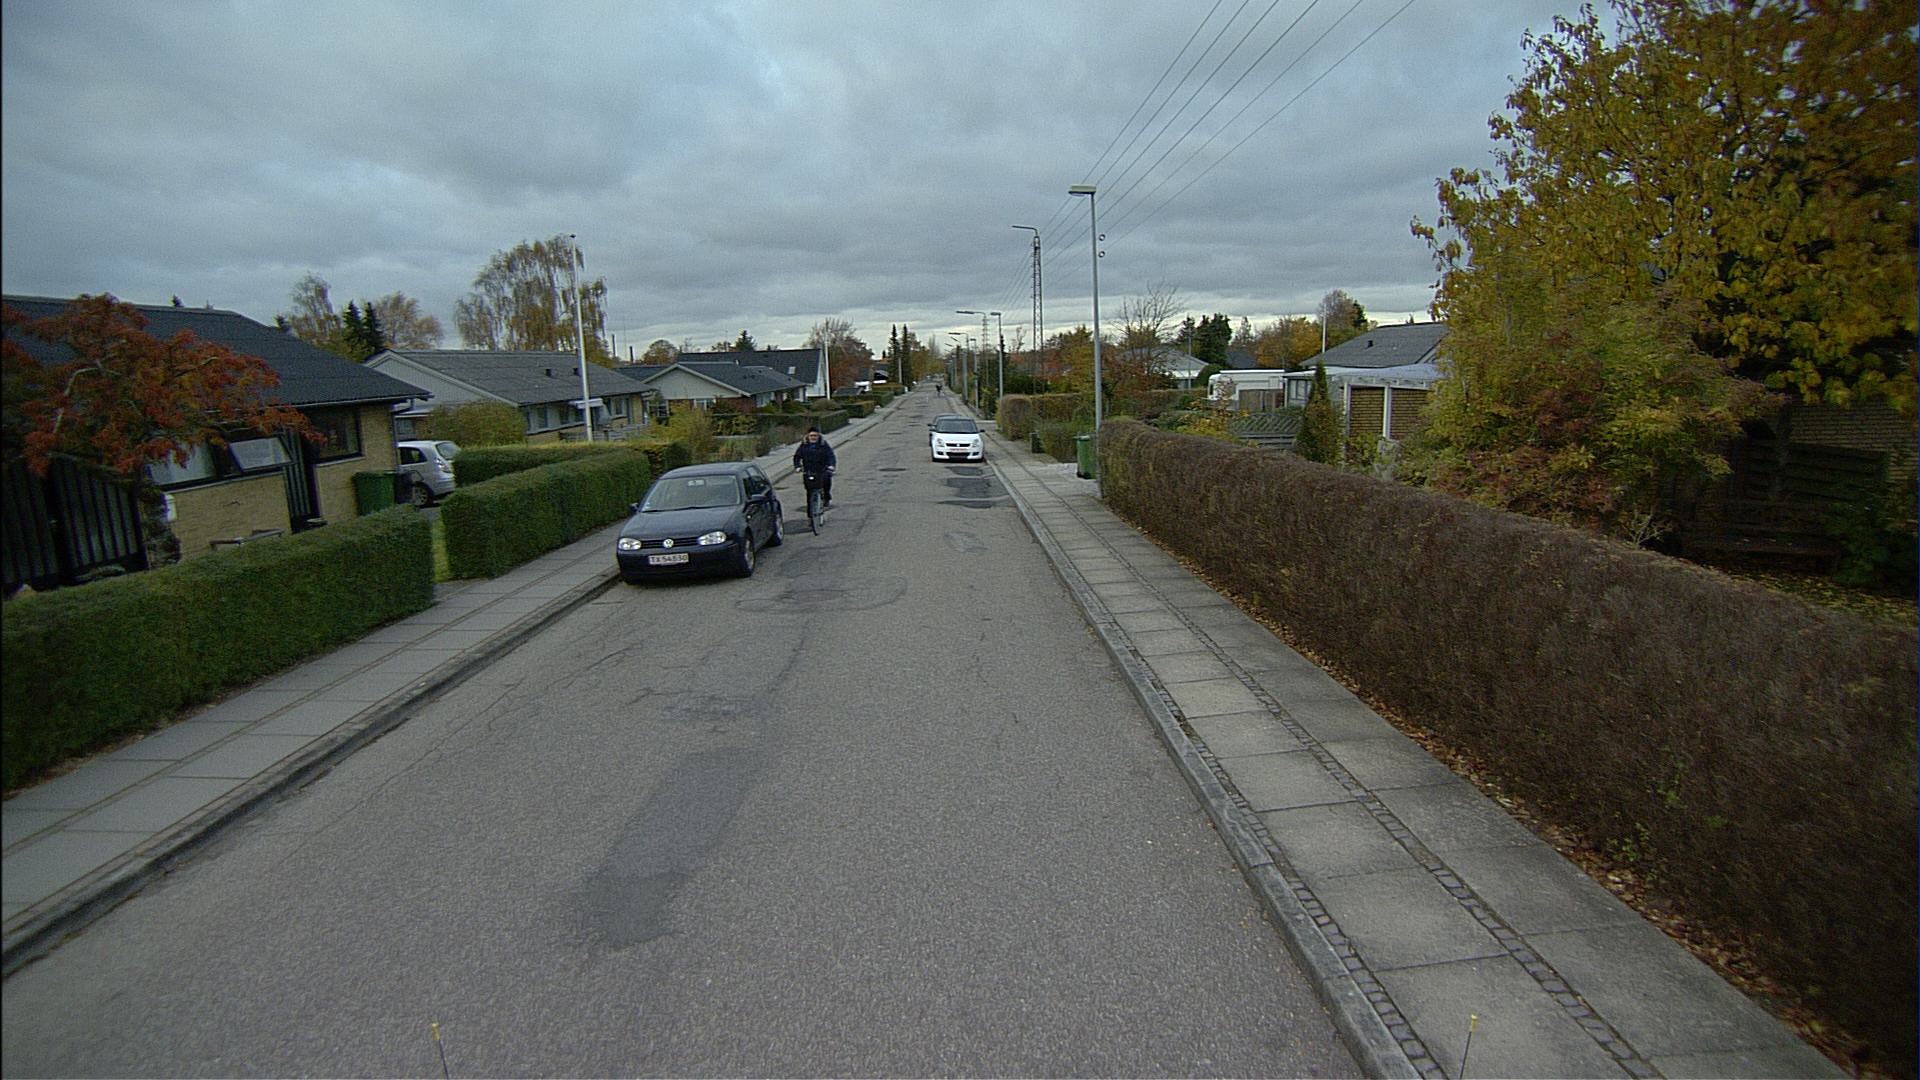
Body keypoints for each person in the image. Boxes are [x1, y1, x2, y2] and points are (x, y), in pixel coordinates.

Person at [792, 425, 836, 508]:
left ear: (818, 436)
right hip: (808, 469)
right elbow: (797, 457)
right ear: (808, 436)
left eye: (815, 436)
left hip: (822, 469)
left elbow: (830, 456)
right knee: (809, 488)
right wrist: (797, 466)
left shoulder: (823, 445)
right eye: (811, 436)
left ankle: (826, 498)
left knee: (826, 481)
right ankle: (810, 506)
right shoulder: (804, 446)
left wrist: (831, 465)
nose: (813, 438)